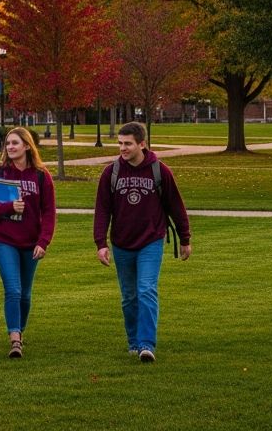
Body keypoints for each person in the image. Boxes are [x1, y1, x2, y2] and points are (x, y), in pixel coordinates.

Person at [93, 121, 192, 363]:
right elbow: (102, 210)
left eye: (128, 144)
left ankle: (147, 344)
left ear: (142, 144)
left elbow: (175, 206)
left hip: (151, 241)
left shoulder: (159, 171)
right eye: (120, 143)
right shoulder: (111, 172)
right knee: (129, 297)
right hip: (122, 242)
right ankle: (134, 341)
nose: (123, 148)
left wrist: (184, 238)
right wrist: (101, 243)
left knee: (146, 290)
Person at [0, 127, 56, 358]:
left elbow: (49, 212)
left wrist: (44, 241)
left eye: (15, 143)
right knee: (12, 289)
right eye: (8, 144)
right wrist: (8, 207)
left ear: (27, 146)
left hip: (31, 242)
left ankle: (19, 330)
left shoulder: (41, 176)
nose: (10, 147)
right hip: (4, 240)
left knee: (25, 293)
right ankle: (15, 339)